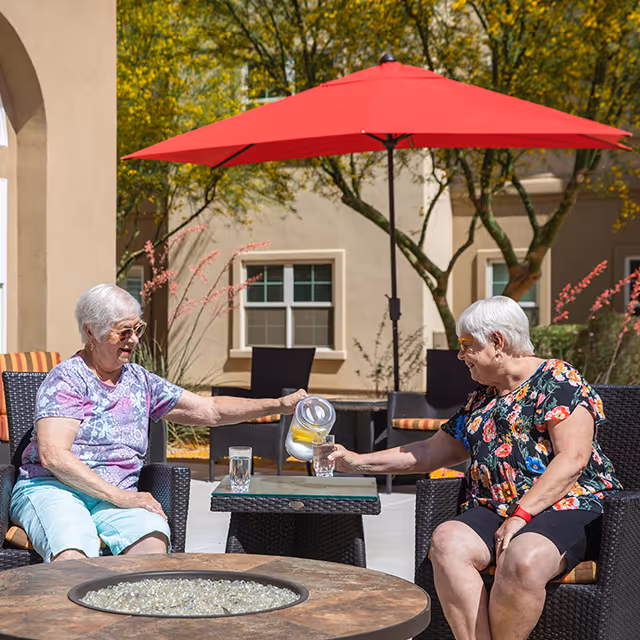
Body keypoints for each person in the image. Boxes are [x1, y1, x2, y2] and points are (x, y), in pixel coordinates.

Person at [330, 296, 622, 640]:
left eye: (466, 345)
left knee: (523, 558)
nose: (459, 355)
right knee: (447, 541)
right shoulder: (483, 398)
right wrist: (357, 460)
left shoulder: (559, 380)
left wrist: (520, 516)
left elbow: (572, 459)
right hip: (495, 507)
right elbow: (426, 452)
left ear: (497, 342)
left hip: (568, 505)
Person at [9, 284, 306, 563]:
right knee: (73, 549)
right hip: (55, 489)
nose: (135, 340)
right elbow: (54, 456)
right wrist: (120, 496)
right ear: (91, 332)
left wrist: (278, 405)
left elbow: (210, 410)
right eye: (124, 332)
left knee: (152, 543)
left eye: (137, 329)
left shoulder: (140, 380)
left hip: (114, 498)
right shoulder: (68, 378)